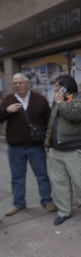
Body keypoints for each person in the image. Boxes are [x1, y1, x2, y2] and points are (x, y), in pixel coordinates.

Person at [0, 73, 56, 216]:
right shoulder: (8, 100)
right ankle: (19, 203)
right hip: (15, 147)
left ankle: (46, 200)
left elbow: (49, 121)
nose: (18, 85)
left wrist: (47, 140)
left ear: (27, 83)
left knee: (42, 175)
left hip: (35, 146)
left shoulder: (40, 100)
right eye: (15, 83)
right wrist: (7, 110)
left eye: (20, 82)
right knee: (17, 177)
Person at [45, 74, 81, 225]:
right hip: (55, 150)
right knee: (59, 183)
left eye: (57, 87)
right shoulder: (57, 101)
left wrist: (60, 103)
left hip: (75, 150)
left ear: (66, 88)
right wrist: (47, 141)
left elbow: (74, 114)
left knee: (79, 182)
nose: (55, 89)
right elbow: (52, 122)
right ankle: (64, 211)